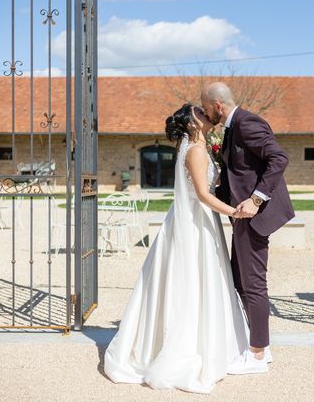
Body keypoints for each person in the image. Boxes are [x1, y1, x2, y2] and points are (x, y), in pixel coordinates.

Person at [103, 103, 249, 394]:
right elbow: (203, 195)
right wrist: (235, 212)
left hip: (197, 221)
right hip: (194, 224)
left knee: (197, 280)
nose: (206, 114)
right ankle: (189, 346)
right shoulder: (194, 151)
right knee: (193, 281)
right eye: (199, 113)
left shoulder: (196, 147)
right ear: (193, 124)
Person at [201, 82, 295, 375]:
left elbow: (278, 158)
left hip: (254, 215)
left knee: (253, 284)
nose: (205, 113)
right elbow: (239, 171)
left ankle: (257, 356)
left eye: (205, 108)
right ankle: (258, 344)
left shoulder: (247, 122)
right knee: (240, 279)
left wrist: (255, 199)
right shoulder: (232, 128)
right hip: (241, 216)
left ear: (217, 105)